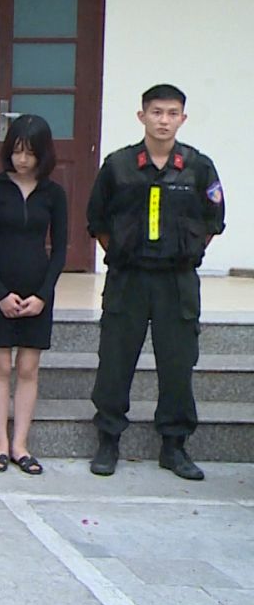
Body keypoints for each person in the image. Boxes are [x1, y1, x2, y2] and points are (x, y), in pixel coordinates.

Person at [88, 84, 224, 481]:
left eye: (172, 113)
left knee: (178, 363)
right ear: (142, 116)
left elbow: (213, 221)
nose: (164, 121)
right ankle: (108, 440)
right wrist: (124, 253)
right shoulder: (118, 166)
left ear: (183, 118)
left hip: (176, 282)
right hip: (128, 279)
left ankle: (174, 446)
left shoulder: (198, 167)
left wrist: (182, 252)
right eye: (157, 112)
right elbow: (97, 221)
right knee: (115, 361)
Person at [0, 114, 66, 476]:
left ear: (43, 154)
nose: (22, 159)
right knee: (0, 366)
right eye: (16, 151)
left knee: (28, 368)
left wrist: (43, 294)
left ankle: (20, 445)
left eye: (30, 152)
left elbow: (60, 249)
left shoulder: (54, 193)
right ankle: (0, 444)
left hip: (38, 292)